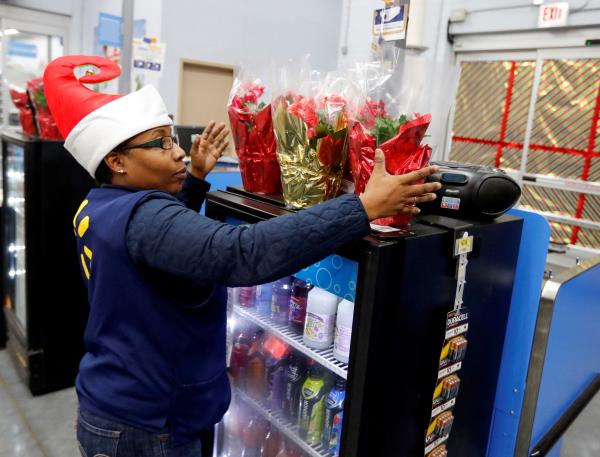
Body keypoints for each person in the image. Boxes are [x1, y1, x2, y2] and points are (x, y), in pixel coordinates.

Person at [44, 55, 441, 457]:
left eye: (174, 139)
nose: (178, 152)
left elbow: (157, 251)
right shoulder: (144, 217)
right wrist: (363, 207)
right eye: (161, 143)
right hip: (146, 427)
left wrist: (195, 182)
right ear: (116, 161)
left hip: (118, 403)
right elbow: (239, 253)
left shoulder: (100, 205)